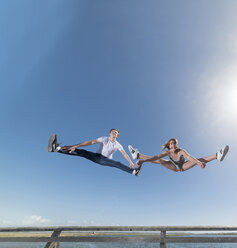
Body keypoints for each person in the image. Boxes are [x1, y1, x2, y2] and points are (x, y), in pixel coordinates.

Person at [47, 129, 142, 176]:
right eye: (113, 132)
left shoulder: (118, 145)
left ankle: (134, 172)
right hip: (96, 156)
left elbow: (124, 154)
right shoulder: (104, 138)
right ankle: (56, 148)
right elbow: (90, 142)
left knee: (117, 163)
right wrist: (77, 145)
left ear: (117, 135)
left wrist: (130, 162)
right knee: (81, 151)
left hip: (105, 160)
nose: (114, 133)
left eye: (116, 133)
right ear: (110, 133)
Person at [128, 138, 229, 172]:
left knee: (197, 159)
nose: (173, 145)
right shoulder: (168, 152)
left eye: (174, 143)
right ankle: (138, 155)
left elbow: (190, 157)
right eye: (171, 143)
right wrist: (143, 161)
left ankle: (218, 155)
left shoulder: (181, 151)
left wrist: (199, 163)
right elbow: (157, 157)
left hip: (182, 167)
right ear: (169, 146)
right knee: (160, 160)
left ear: (176, 145)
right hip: (173, 166)